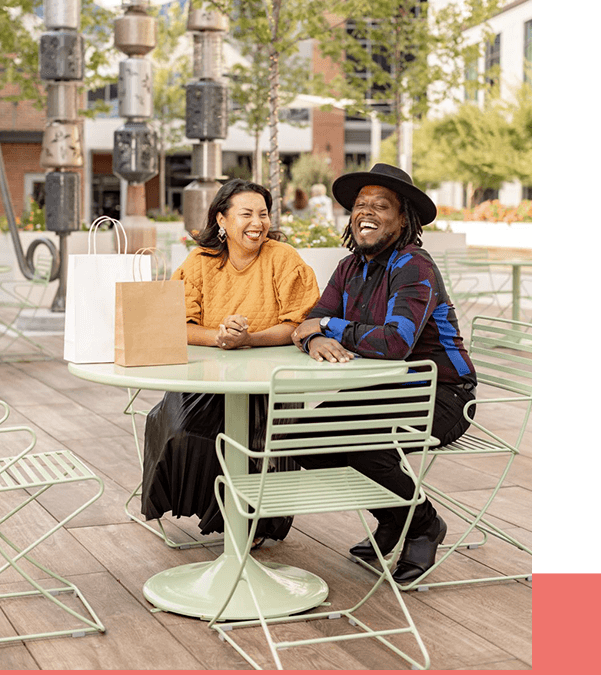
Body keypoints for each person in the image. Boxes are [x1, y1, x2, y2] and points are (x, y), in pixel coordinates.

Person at [291, 163, 477, 583]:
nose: (365, 212)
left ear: (403, 217)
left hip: (443, 393)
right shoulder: (349, 267)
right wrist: (314, 338)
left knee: (363, 446)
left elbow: (395, 343)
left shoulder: (414, 265)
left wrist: (330, 327)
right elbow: (311, 320)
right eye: (360, 205)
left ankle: (423, 522)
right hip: (386, 389)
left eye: (380, 206)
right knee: (304, 440)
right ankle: (393, 515)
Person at [141, 179, 320, 543]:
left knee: (264, 435)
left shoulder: (283, 259)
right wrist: (221, 337)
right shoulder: (199, 262)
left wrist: (249, 340)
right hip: (210, 376)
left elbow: (299, 323)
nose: (257, 222)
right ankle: (218, 511)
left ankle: (252, 524)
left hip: (272, 378)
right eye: (246, 214)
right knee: (178, 426)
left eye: (263, 214)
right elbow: (178, 323)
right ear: (221, 220)